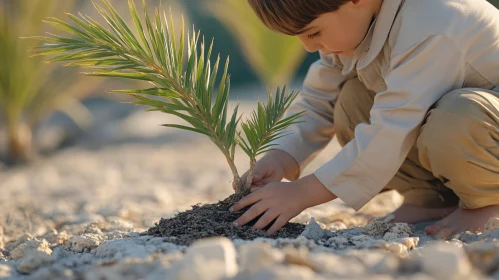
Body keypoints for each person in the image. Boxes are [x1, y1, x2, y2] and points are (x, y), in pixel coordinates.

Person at [230, 0, 499, 239]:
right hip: (465, 137)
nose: (309, 46)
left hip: (482, 125)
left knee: (457, 115)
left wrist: (302, 193)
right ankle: (433, 199)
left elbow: (389, 132)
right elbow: (318, 101)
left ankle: (488, 202)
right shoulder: (361, 24)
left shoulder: (434, 22)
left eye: (313, 32)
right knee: (352, 98)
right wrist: (281, 156)